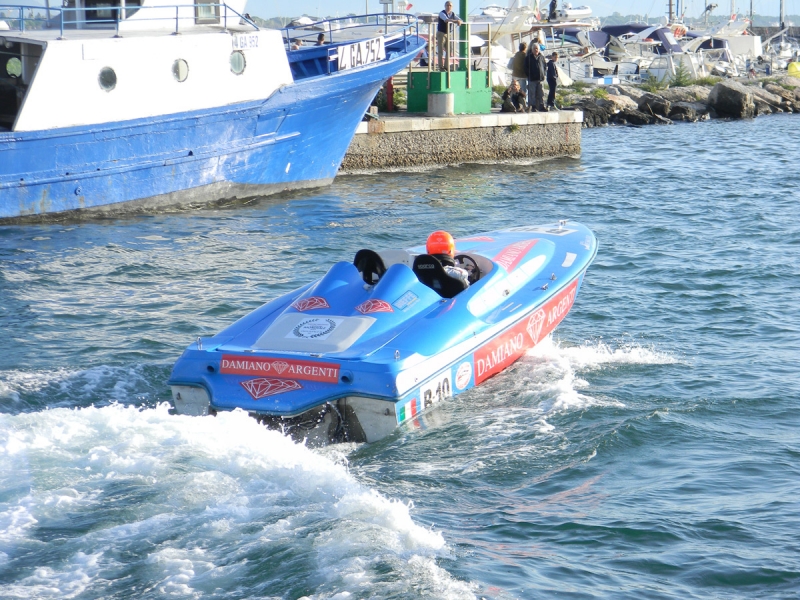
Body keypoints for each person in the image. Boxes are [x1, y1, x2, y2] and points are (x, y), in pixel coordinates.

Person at [437, 1, 463, 71]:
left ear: (452, 7)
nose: (449, 7)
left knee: (449, 50)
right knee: (440, 51)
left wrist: (459, 21)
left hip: (448, 33)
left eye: (450, 6)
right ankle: (440, 67)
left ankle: (446, 66)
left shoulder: (453, 14)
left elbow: (460, 19)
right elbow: (446, 20)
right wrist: (456, 21)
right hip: (441, 33)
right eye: (447, 5)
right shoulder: (442, 13)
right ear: (445, 6)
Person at [524, 42, 547, 112]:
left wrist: (544, 74)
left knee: (541, 94)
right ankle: (533, 107)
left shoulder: (542, 57)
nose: (536, 50)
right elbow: (525, 68)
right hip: (532, 79)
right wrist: (529, 75)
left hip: (540, 79)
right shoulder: (528, 58)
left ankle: (541, 106)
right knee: (532, 94)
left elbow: (545, 66)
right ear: (532, 49)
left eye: (537, 48)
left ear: (539, 49)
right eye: (534, 49)